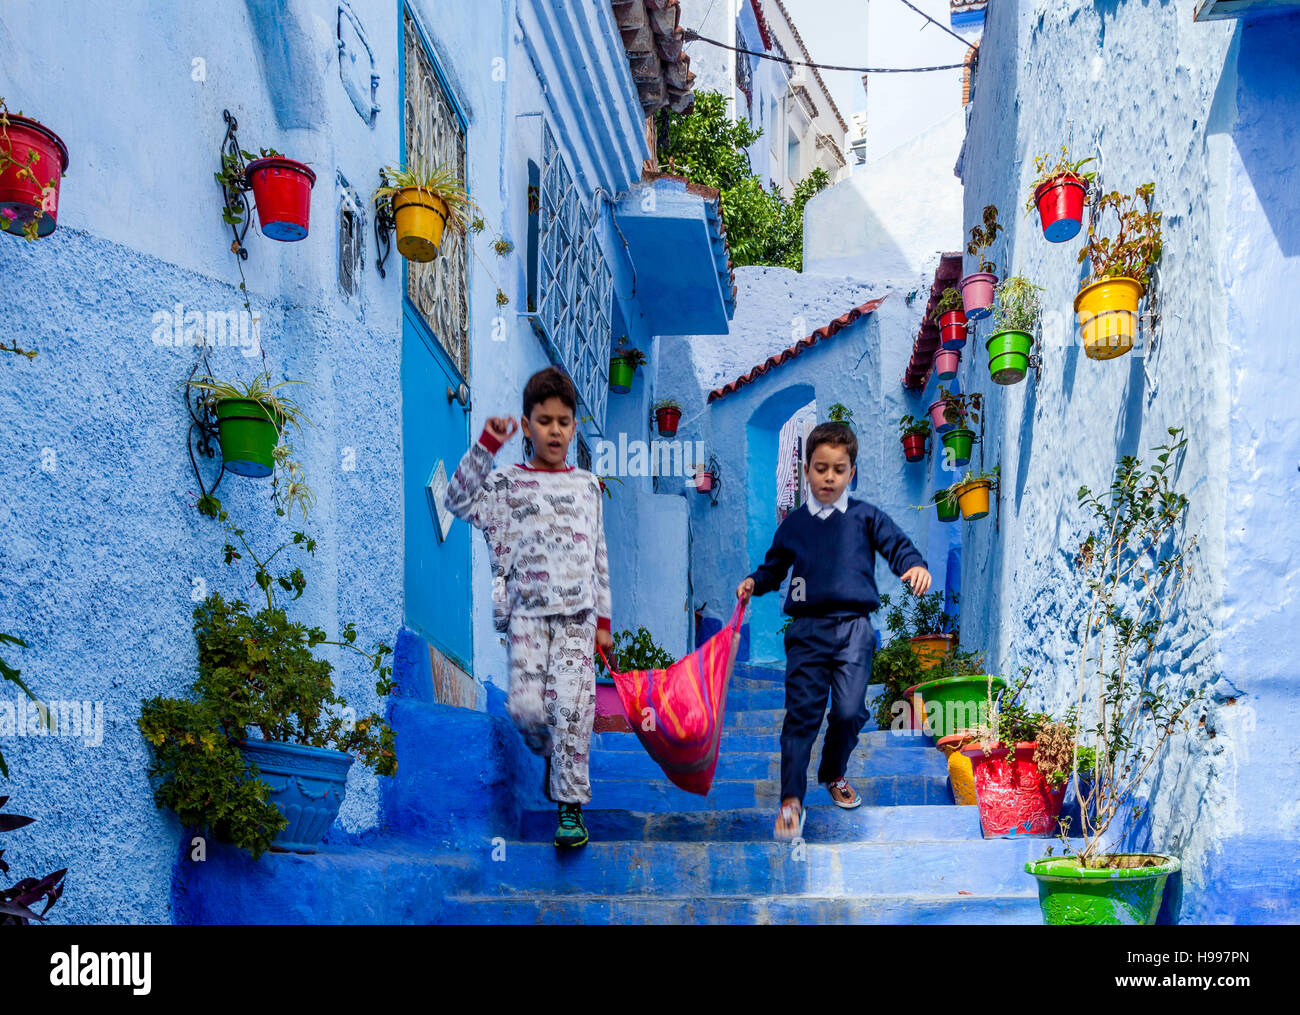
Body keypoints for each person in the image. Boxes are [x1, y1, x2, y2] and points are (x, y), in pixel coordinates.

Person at [736, 421, 931, 841]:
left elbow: (897, 545)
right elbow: (774, 568)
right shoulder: (794, 526)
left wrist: (913, 565)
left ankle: (833, 771)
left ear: (851, 472)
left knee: (848, 712)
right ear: (807, 470)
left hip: (855, 632)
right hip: (807, 632)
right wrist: (756, 582)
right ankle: (791, 800)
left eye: (838, 469)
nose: (829, 477)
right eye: (821, 468)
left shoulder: (866, 518)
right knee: (802, 716)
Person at [444, 366, 613, 848]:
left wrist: (603, 620)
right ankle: (552, 759)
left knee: (572, 709)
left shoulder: (587, 486)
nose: (555, 430)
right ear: (527, 423)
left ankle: (570, 808)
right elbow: (457, 501)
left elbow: (598, 552)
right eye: (544, 421)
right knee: (526, 710)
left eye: (563, 421)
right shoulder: (508, 484)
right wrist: (486, 446)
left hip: (578, 616)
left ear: (574, 427)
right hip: (526, 616)